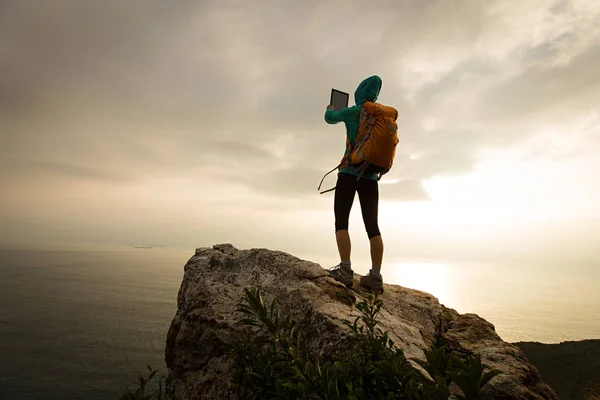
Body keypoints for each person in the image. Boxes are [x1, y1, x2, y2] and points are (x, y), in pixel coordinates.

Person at [323, 75, 385, 293]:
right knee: (372, 227)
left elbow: (329, 118)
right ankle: (375, 277)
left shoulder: (352, 112)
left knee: (341, 221)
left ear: (359, 92)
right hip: (370, 176)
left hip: (348, 173)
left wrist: (330, 107)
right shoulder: (380, 118)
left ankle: (346, 271)